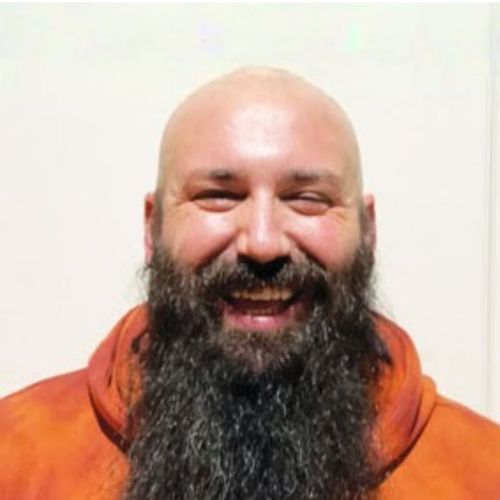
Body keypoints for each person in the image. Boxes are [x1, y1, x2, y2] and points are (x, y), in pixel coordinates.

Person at [1, 67, 500, 500]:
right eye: (218, 196)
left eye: (307, 199)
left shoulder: (483, 473)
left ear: (367, 232)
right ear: (152, 227)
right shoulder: (17, 458)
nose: (262, 243)